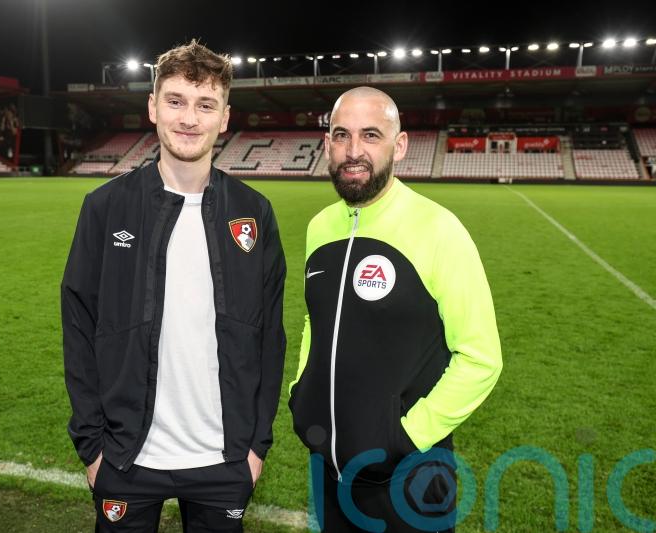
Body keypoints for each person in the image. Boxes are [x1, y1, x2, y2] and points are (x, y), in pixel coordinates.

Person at [62, 40, 287, 532]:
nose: (190, 118)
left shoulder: (254, 213)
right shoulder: (104, 208)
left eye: (206, 105)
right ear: (153, 107)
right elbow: (78, 327)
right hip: (125, 457)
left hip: (224, 460)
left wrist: (255, 448)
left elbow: (270, 338)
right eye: (176, 101)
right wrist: (93, 447)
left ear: (225, 117)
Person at [289, 87, 502, 532]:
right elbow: (316, 320)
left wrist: (406, 437)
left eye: (370, 135)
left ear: (399, 145)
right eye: (341, 135)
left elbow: (480, 357)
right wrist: (301, 393)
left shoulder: (439, 229)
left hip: (409, 477)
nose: (353, 151)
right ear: (327, 142)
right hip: (328, 466)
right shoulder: (319, 228)